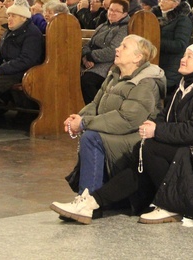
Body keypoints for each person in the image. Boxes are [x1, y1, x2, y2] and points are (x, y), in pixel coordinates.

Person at [52, 42, 193, 225]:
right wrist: (154, 126)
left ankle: (173, 205)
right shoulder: (186, 86)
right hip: (191, 145)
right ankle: (91, 202)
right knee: (142, 154)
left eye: (190, 56)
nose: (183, 59)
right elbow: (166, 117)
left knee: (150, 148)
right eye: (184, 54)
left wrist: (156, 130)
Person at [50, 35, 165, 220]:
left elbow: (128, 119)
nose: (117, 49)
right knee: (91, 133)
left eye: (124, 46)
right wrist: (79, 117)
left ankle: (87, 202)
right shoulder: (115, 74)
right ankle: (89, 199)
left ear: (137, 57)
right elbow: (96, 104)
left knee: (92, 137)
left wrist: (85, 124)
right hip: (119, 131)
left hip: (136, 136)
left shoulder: (146, 82)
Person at [0, 0, 44, 136]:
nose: (9, 18)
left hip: (23, 72)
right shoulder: (8, 31)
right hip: (9, 68)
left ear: (23, 18)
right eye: (8, 15)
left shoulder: (32, 34)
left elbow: (27, 60)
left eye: (13, 15)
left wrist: (0, 70)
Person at [80, 0, 130, 104]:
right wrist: (85, 58)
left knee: (87, 80)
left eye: (117, 11)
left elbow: (113, 51)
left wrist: (91, 56)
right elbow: (89, 44)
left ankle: (97, 108)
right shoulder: (103, 26)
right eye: (110, 10)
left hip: (108, 64)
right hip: (90, 61)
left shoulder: (123, 29)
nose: (112, 13)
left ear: (125, 14)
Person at [157, 0, 193, 94]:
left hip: (172, 68)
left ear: (176, 3)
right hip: (159, 64)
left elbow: (180, 45)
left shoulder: (182, 20)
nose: (162, 1)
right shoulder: (158, 18)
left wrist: (156, 42)